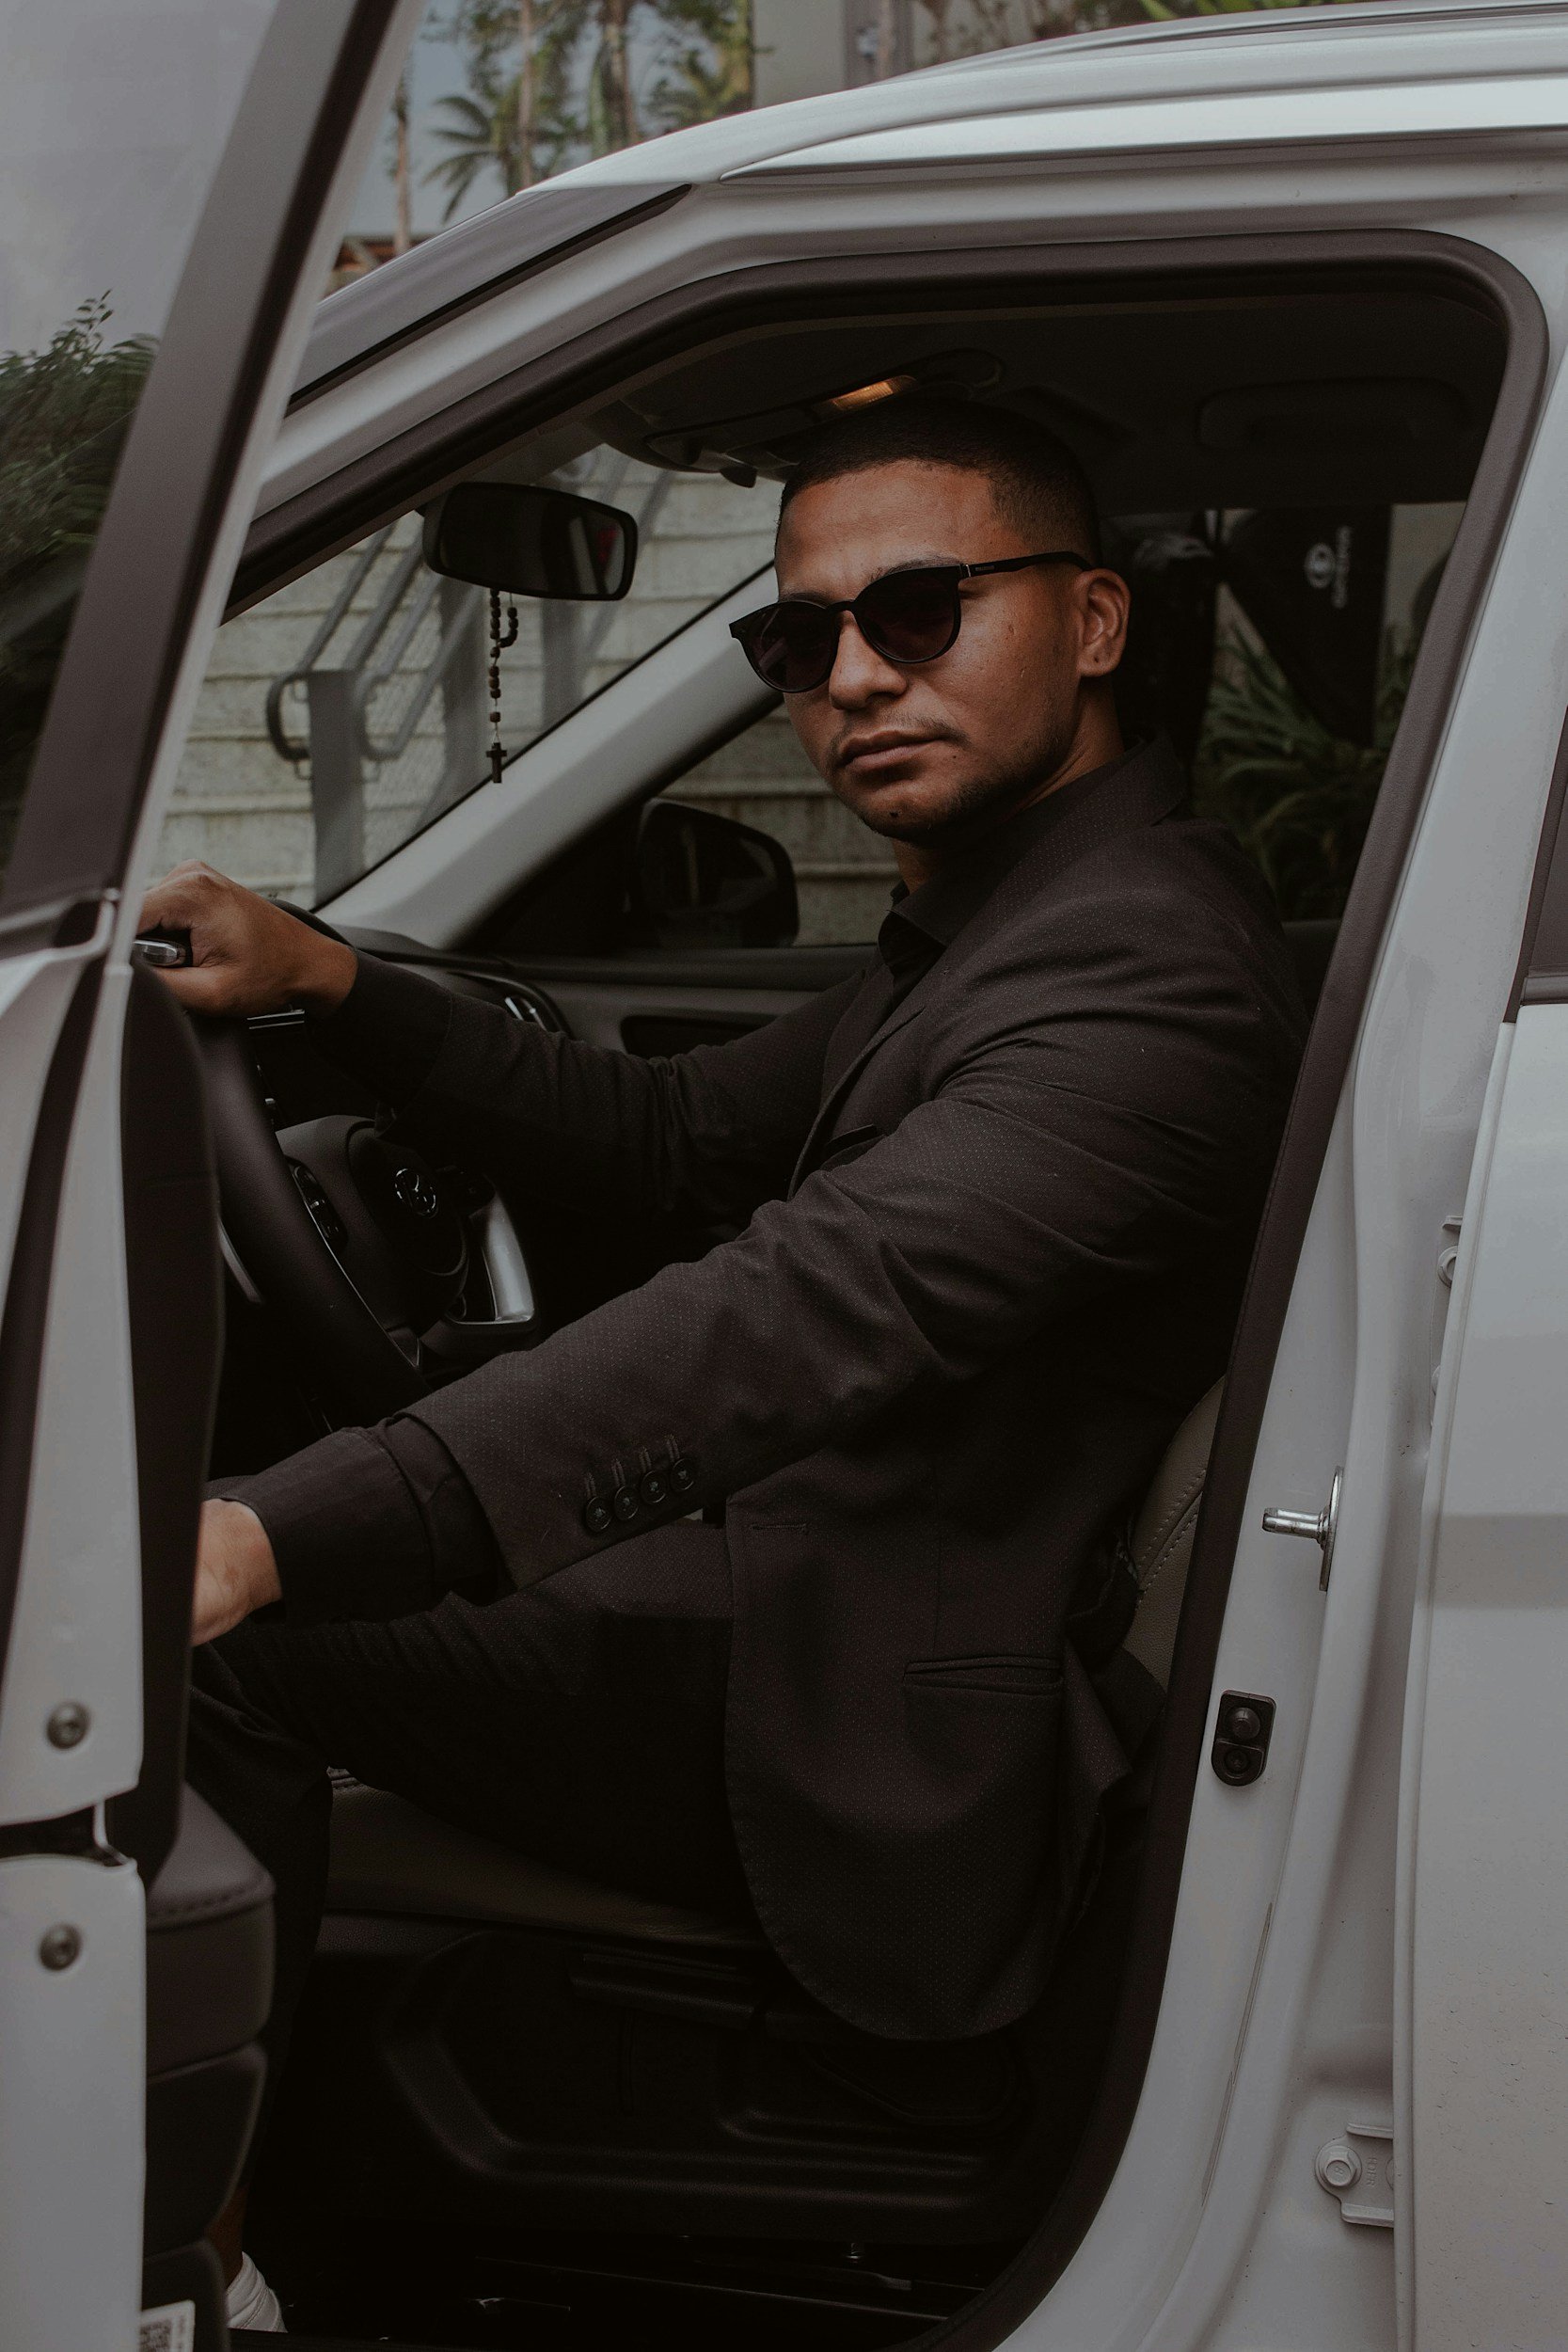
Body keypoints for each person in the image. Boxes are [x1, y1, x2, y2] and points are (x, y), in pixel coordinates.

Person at [143, 396, 1305, 2323]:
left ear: (1095, 620)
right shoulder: (1019, 918)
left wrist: (273, 1532)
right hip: (837, 1565)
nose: (852, 677)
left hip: (889, 1681)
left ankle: (181, 2270)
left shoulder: (1143, 971)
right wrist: (331, 978)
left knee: (203, 1645)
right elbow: (676, 1140)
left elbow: (797, 1306)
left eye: (920, 609)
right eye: (798, 636)